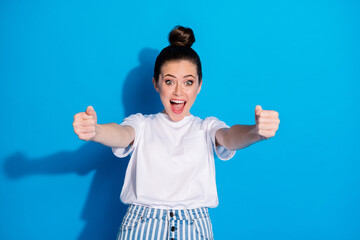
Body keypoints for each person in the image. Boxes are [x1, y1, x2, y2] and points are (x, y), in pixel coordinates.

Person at [73, 26, 280, 240]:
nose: (178, 92)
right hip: (142, 224)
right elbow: (121, 134)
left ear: (199, 85)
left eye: (188, 82)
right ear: (156, 84)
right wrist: (95, 131)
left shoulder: (207, 127)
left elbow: (229, 137)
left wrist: (255, 132)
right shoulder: (142, 124)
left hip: (195, 225)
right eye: (169, 81)